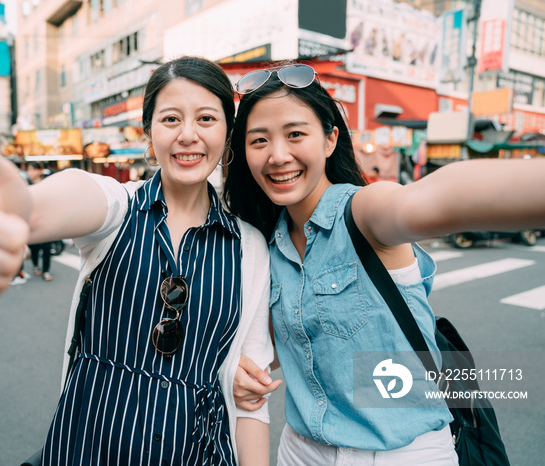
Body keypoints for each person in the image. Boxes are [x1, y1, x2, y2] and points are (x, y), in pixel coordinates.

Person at [0, 56, 275, 465]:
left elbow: (253, 399)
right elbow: (75, 194)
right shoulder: (119, 209)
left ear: (227, 132)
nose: (188, 135)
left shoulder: (249, 247)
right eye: (170, 120)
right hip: (90, 446)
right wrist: (20, 210)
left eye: (206, 119)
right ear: (148, 133)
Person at [223, 63, 545, 465]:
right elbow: (276, 348)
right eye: (259, 141)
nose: (278, 155)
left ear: (329, 139)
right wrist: (236, 371)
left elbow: (434, 198)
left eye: (295, 134)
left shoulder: (364, 211)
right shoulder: (268, 243)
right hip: (301, 451)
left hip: (402, 454)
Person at [26, 161, 53, 281]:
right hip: (32, 220)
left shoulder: (46, 183)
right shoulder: (26, 184)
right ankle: (36, 265)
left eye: (33, 169)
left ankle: (46, 270)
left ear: (40, 171)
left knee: (47, 246)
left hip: (46, 218)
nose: (30, 173)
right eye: (29, 170)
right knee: (34, 246)